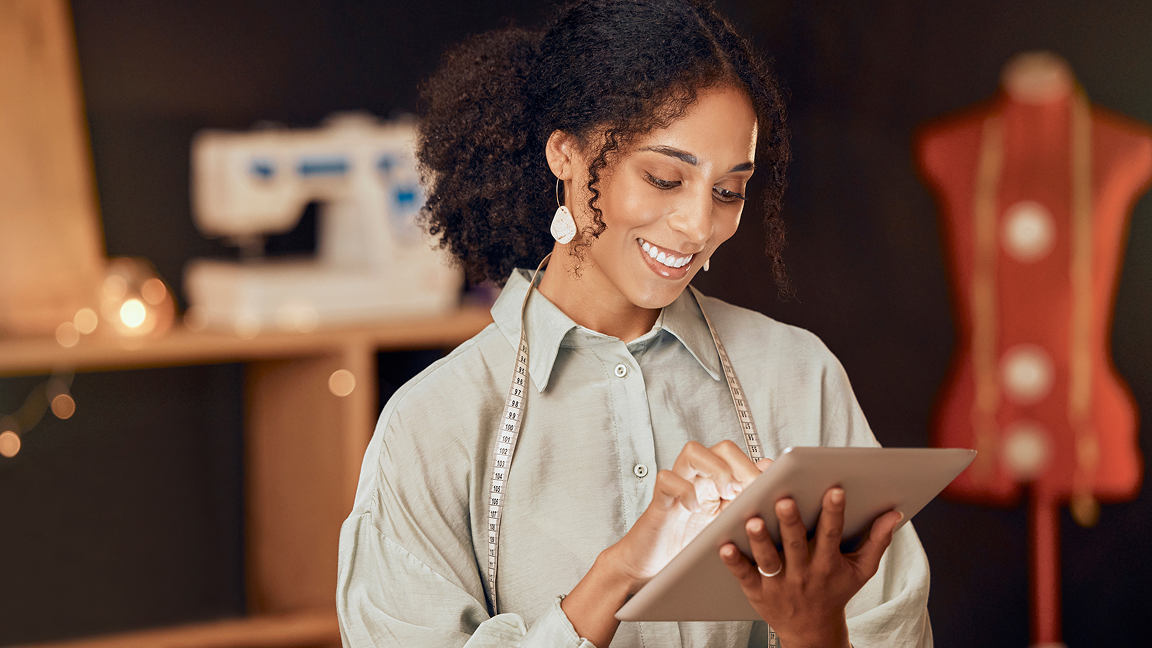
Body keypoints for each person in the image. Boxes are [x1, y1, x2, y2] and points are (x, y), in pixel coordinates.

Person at [337, 1, 933, 646]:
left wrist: (811, 624)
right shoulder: (435, 425)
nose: (699, 226)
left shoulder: (797, 378)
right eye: (664, 178)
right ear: (565, 154)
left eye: (729, 191)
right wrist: (616, 575)